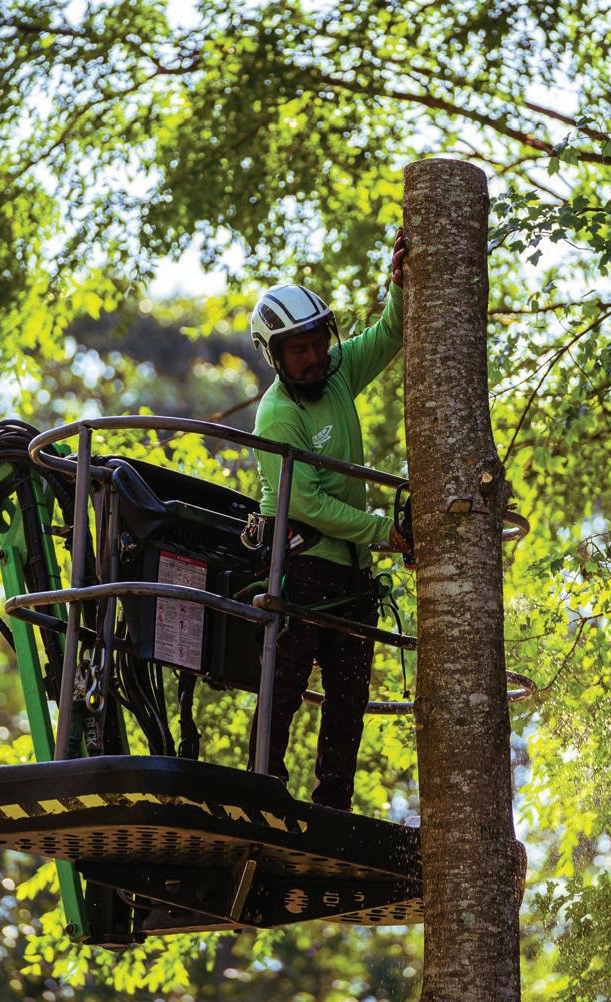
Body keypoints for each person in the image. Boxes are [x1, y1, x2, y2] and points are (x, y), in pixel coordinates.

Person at [247, 229, 410, 811]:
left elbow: (389, 335)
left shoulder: (337, 373)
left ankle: (332, 807)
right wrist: (384, 531)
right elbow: (308, 503)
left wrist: (400, 283)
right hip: (301, 567)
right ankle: (260, 795)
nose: (314, 356)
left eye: (318, 342)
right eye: (299, 349)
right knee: (284, 687)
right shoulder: (277, 415)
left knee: (348, 698)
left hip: (351, 573)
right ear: (275, 356)